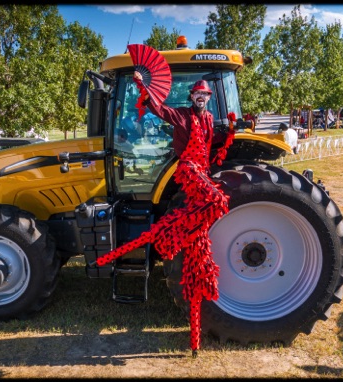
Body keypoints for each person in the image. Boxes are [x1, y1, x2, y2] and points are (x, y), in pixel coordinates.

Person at [94, 71, 236, 357]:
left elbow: (215, 143)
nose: (201, 97)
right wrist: (141, 86)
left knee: (198, 259)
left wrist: (231, 129)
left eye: (205, 94)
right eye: (198, 93)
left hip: (202, 173)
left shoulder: (208, 119)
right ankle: (171, 231)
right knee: (216, 201)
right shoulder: (182, 115)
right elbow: (158, 109)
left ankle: (194, 338)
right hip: (189, 171)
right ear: (192, 97)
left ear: (209, 98)